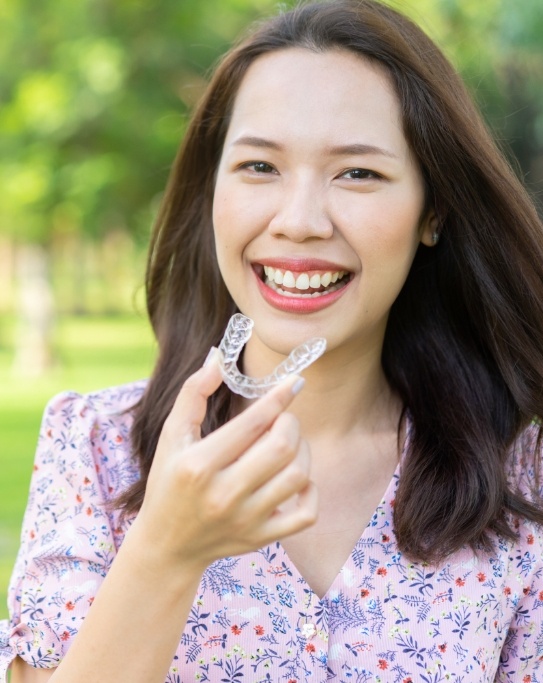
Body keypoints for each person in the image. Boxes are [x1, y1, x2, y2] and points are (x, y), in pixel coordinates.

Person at [2, 0, 543, 680]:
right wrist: (166, 550)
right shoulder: (94, 450)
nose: (299, 221)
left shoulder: (519, 478)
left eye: (358, 173)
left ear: (431, 211)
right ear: (211, 191)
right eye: (259, 166)